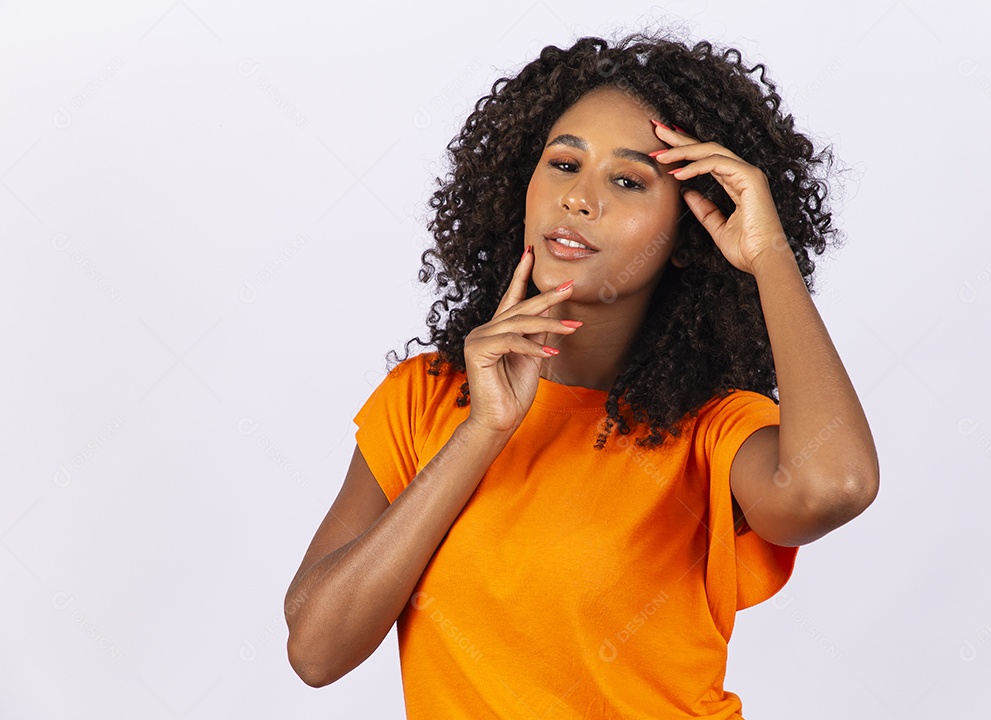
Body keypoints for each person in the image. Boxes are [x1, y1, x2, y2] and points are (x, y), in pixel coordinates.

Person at [284, 30, 879, 718]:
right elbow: (316, 651)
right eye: (564, 164)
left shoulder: (714, 432)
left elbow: (833, 485)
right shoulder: (422, 400)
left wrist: (769, 251)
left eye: (627, 180)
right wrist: (482, 432)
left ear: (692, 238)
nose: (579, 198)